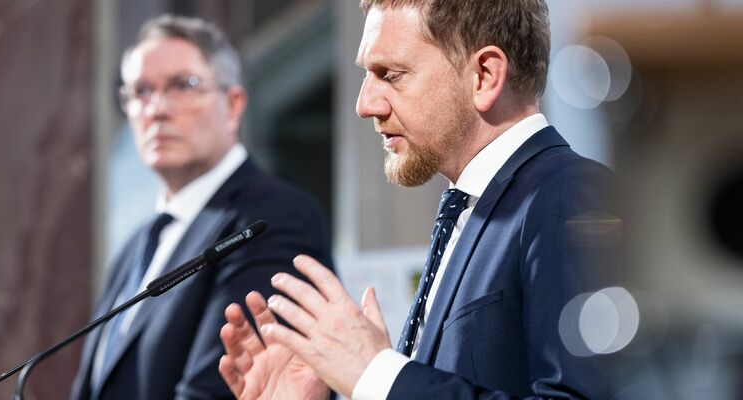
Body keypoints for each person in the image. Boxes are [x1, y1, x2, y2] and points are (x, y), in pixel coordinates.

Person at [218, 0, 618, 399]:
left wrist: (376, 373)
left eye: (390, 74)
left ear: (485, 75)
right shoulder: (470, 210)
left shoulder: (570, 194)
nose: (364, 105)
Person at [70, 14, 333, 400]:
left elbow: (222, 390)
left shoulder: (272, 218)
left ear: (232, 104)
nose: (157, 109)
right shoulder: (137, 245)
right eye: (140, 91)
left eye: (183, 86)